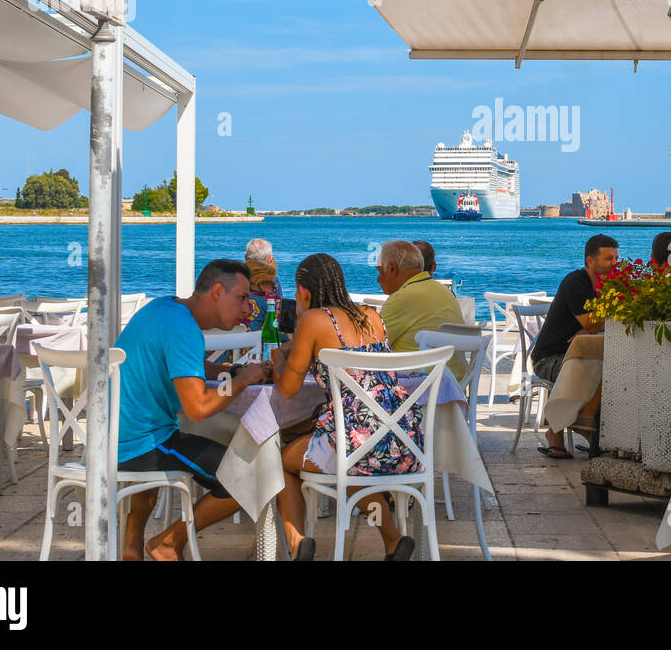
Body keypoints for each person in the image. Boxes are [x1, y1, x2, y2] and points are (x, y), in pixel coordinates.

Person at [117, 259, 273, 561]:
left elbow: (188, 366)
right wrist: (241, 381)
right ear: (217, 291)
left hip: (116, 436)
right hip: (142, 444)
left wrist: (230, 371)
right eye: (242, 298)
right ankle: (168, 542)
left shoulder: (164, 309)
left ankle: (131, 548)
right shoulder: (184, 329)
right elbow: (199, 409)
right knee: (254, 477)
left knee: (186, 440)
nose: (247, 309)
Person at [272, 254, 423, 561]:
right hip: (404, 443)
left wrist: (278, 362)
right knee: (352, 461)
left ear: (302, 291)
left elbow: (287, 390)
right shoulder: (372, 315)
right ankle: (393, 540)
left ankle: (297, 542)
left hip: (356, 445)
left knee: (276, 462)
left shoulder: (313, 320)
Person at [530, 234, 619, 459]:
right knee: (593, 372)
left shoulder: (609, 285)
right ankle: (572, 429)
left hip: (581, 353)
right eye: (609, 259)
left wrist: (589, 327)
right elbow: (591, 323)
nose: (615, 264)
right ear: (591, 261)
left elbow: (601, 322)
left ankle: (582, 426)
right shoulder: (576, 283)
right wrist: (588, 327)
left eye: (616, 258)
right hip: (549, 358)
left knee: (614, 371)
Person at [377, 240, 467, 378]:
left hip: (419, 391)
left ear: (392, 268)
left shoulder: (403, 298)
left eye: (380, 270)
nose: (378, 279)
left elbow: (372, 346)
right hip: (454, 390)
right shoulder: (445, 292)